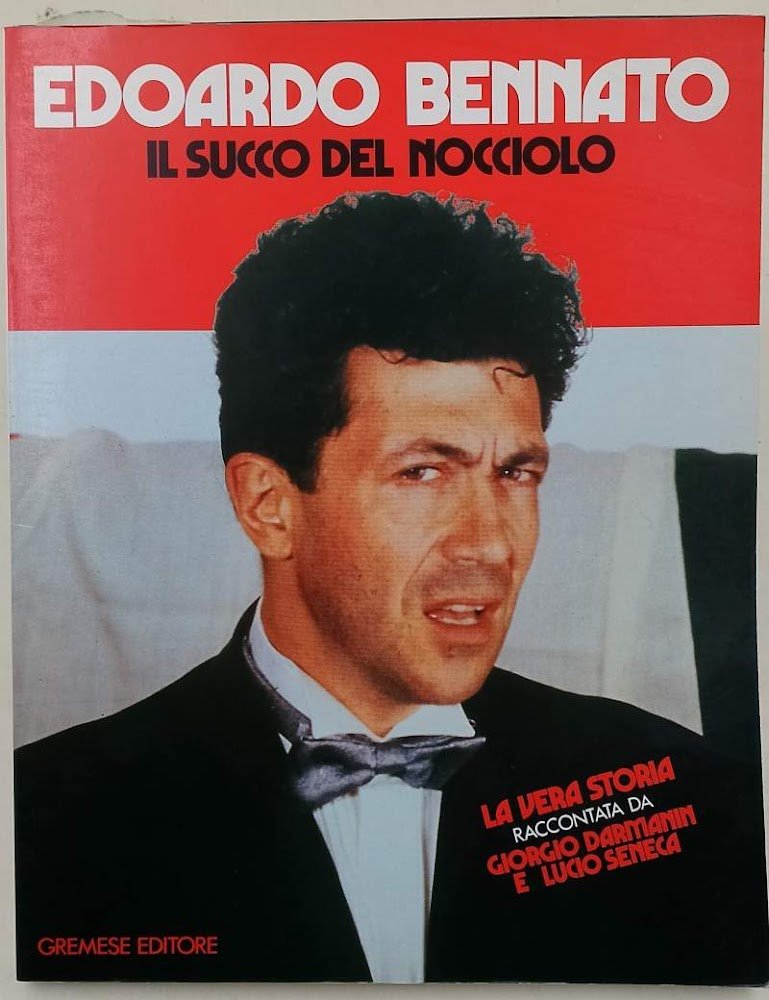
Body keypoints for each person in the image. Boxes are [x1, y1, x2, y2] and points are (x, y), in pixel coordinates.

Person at [14, 192, 768, 985]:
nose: (489, 544)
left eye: (515, 473)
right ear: (268, 506)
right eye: (422, 473)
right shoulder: (47, 814)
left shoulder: (683, 793)